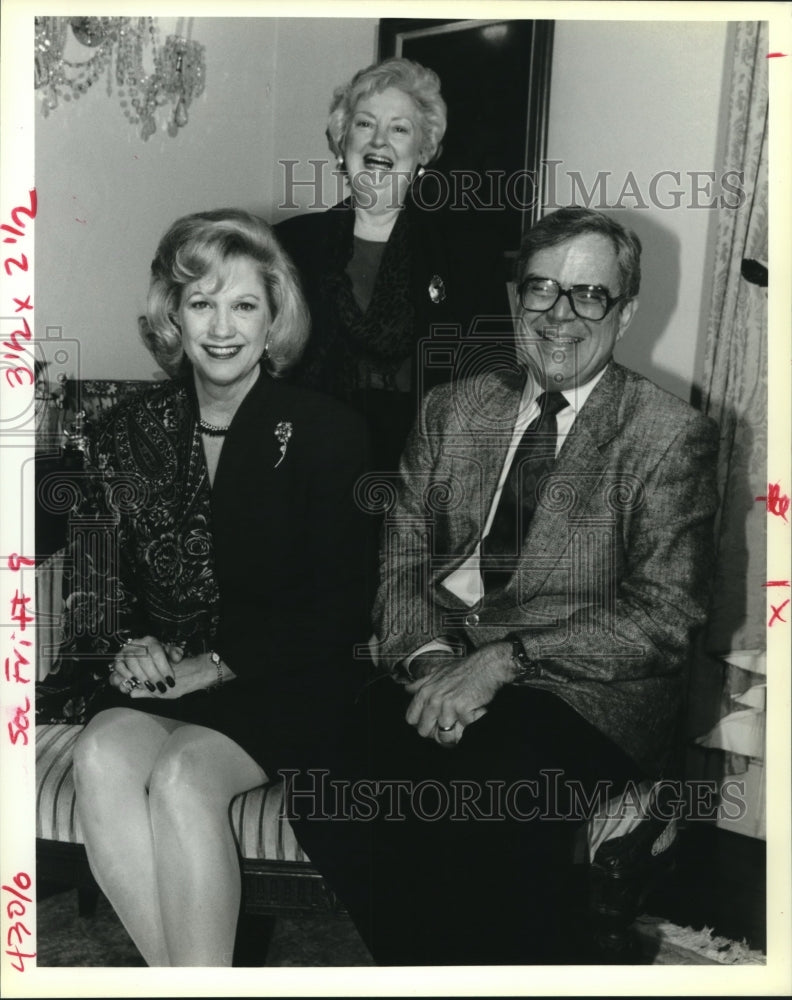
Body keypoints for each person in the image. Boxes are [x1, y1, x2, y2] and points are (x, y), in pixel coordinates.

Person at [291, 206, 721, 965]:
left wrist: (499, 663)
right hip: (443, 661)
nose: (561, 315)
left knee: (487, 795)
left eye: (589, 295)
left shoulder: (667, 433)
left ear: (625, 312)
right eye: (542, 291)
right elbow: (401, 565)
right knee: (322, 780)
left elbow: (665, 616)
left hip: (586, 693)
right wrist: (429, 667)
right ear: (516, 301)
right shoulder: (452, 412)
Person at [66, 209, 372, 967]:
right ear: (173, 317)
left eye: (244, 305)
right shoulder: (123, 432)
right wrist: (127, 643)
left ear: (276, 319)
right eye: (201, 303)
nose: (222, 326)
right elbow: (95, 580)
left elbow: (341, 603)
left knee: (181, 776)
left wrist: (217, 663)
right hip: (166, 678)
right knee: (101, 755)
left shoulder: (326, 430)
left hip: (283, 678)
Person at [275, 56, 512, 473]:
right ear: (342, 138)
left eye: (399, 129)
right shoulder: (290, 245)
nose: (379, 142)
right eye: (365, 124)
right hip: (307, 471)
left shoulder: (466, 255)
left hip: (424, 484)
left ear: (422, 151)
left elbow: (494, 388)